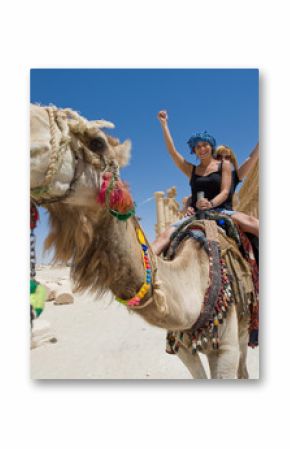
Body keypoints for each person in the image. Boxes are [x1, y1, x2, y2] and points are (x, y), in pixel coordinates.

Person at [151, 111, 259, 256]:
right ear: (194, 151)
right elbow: (173, 152)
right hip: (196, 214)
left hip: (221, 210)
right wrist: (164, 125)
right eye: (197, 147)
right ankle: (146, 273)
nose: (201, 149)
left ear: (211, 146)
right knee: (162, 237)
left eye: (205, 145)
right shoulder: (191, 169)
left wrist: (211, 204)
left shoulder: (224, 165)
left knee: (255, 223)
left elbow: (225, 192)